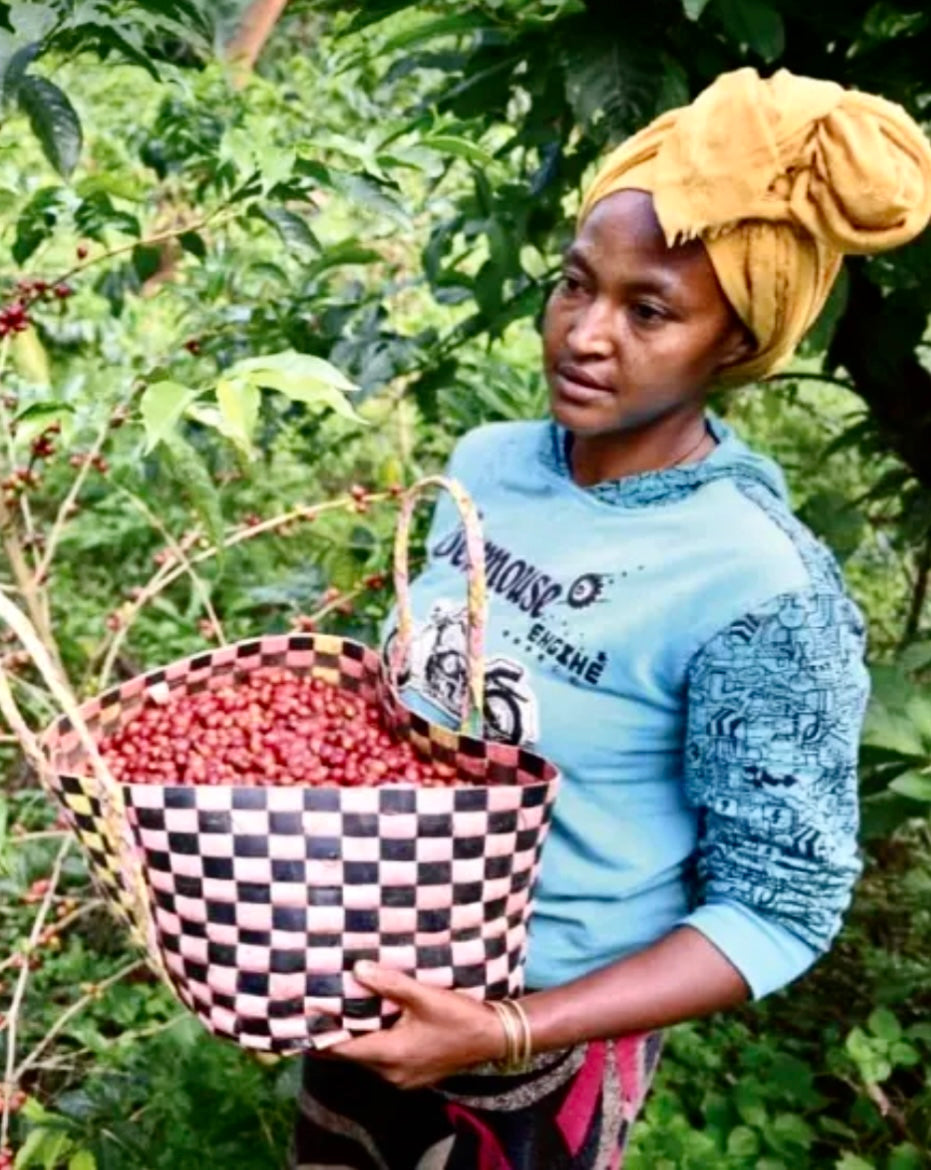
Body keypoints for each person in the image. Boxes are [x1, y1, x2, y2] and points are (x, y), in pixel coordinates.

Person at [291, 68, 931, 1169]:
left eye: (650, 312)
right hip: (364, 996)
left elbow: (779, 908)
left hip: (539, 1055)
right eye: (575, 286)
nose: (585, 335)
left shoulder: (756, 583)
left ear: (734, 344)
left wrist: (504, 1028)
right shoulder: (490, 465)